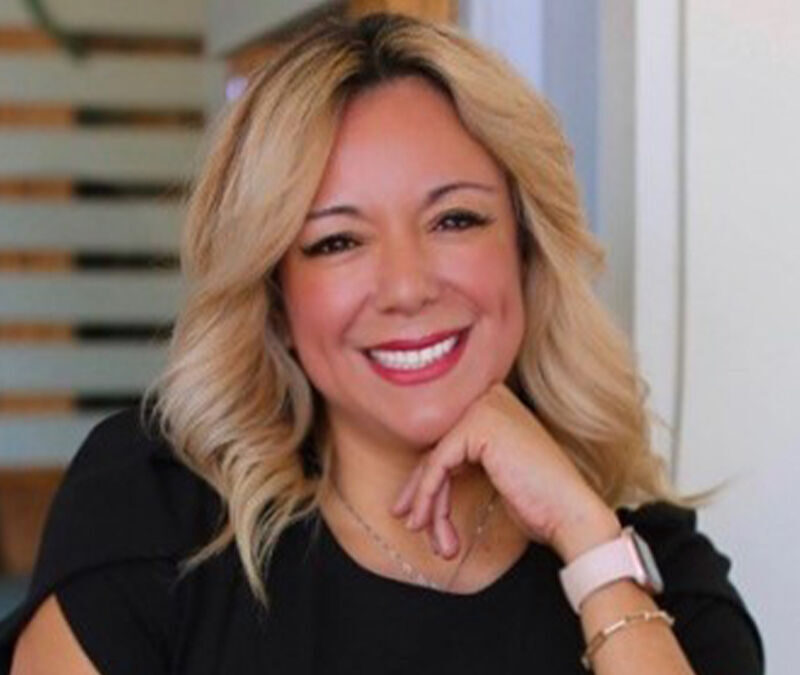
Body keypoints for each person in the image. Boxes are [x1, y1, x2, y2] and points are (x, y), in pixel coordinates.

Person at [1, 12, 762, 675]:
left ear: (528, 252)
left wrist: (588, 539)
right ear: (276, 294)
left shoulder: (658, 570)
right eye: (336, 241)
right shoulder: (157, 517)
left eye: (455, 220)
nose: (406, 285)